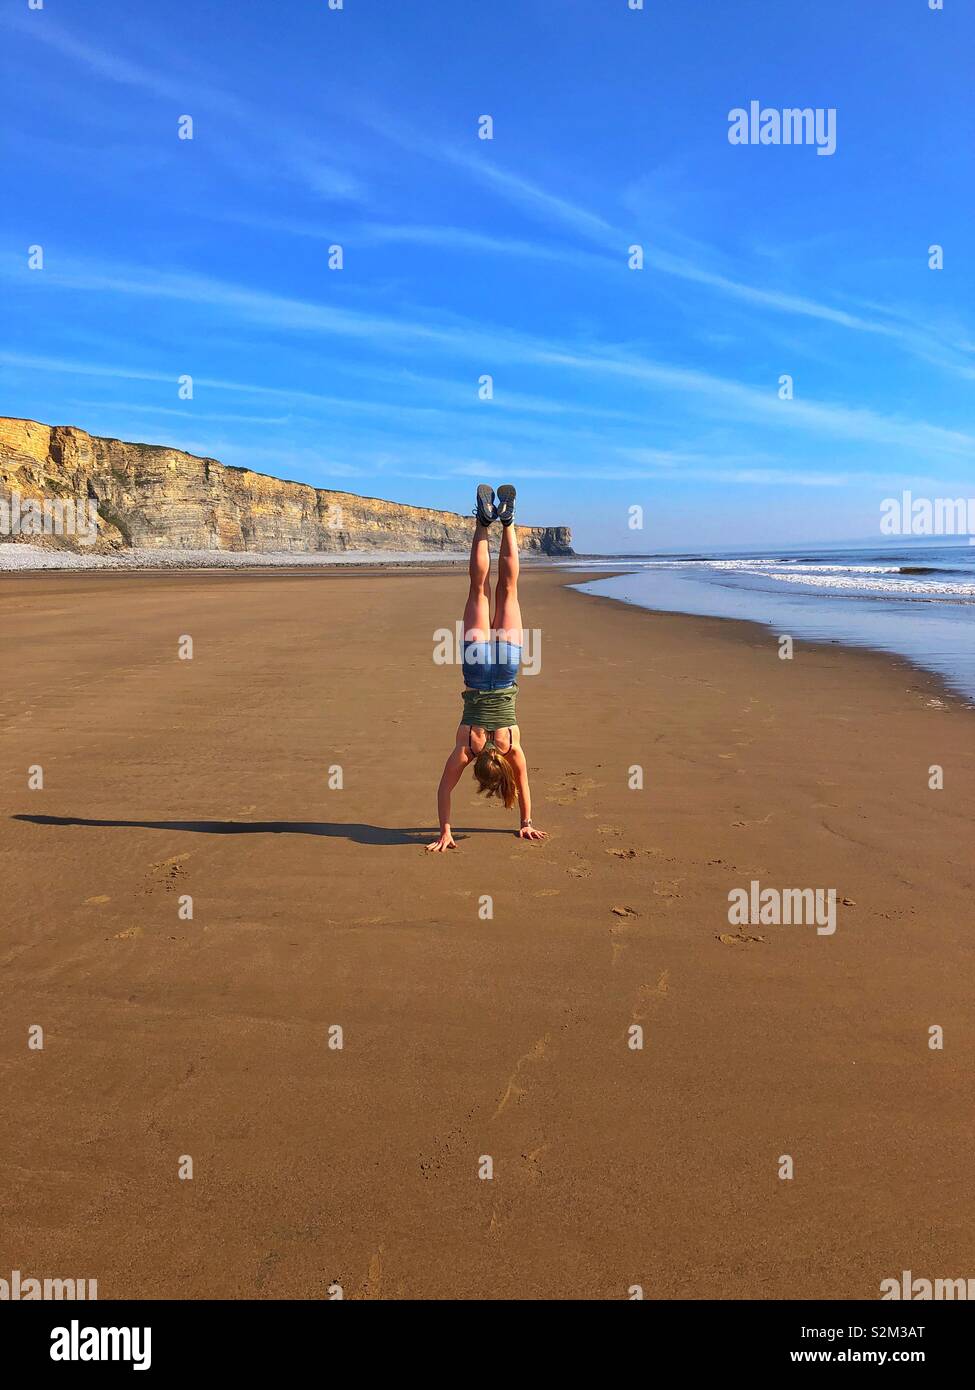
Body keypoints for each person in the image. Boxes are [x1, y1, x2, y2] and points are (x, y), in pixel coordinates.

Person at [427, 485, 548, 852]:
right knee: (479, 589)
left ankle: (507, 521)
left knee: (509, 589)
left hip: (507, 663)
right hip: (478, 666)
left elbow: (523, 784)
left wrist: (526, 822)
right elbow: (444, 789)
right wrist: (446, 829)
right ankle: (485, 522)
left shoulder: (510, 747)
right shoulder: (467, 747)